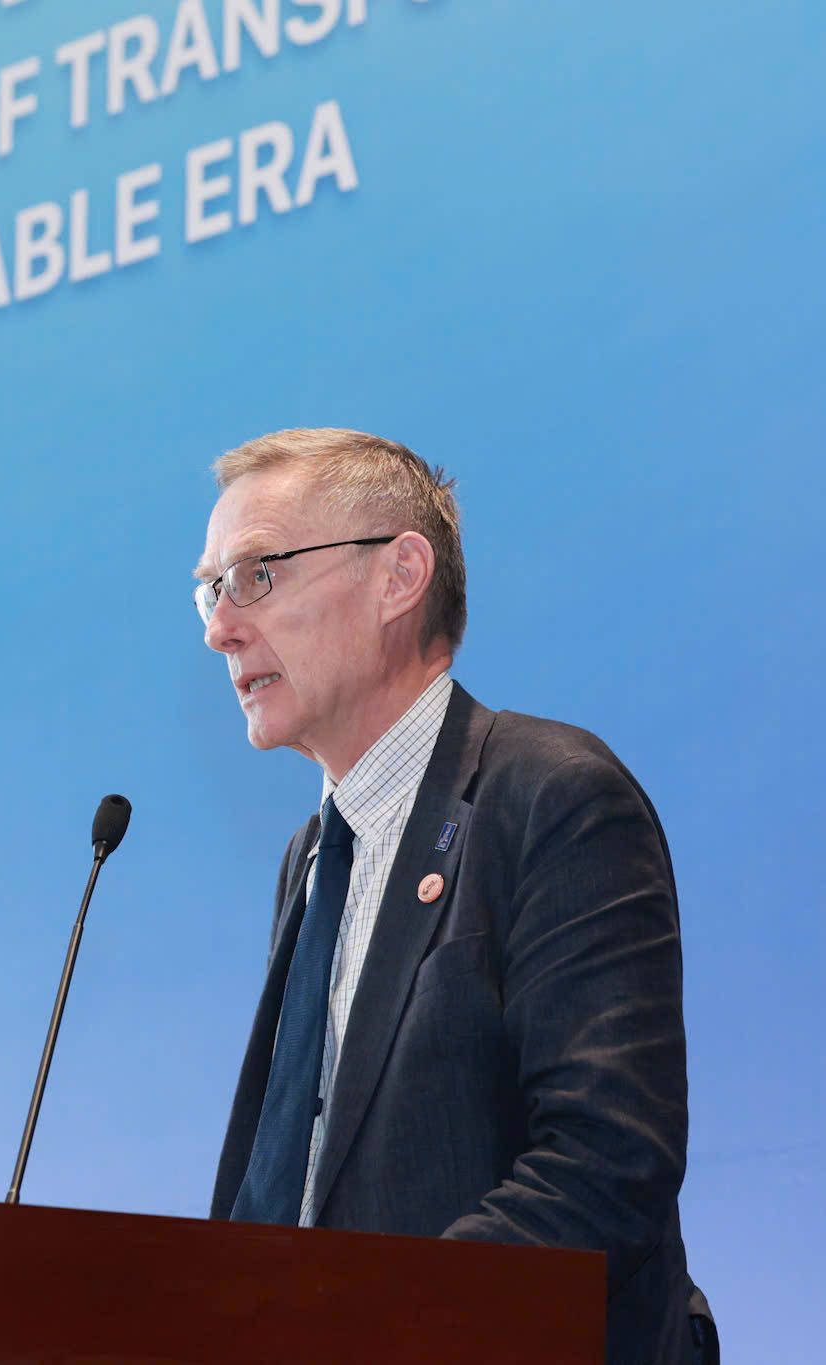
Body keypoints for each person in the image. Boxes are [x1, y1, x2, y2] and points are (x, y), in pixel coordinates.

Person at [194, 429, 715, 1365]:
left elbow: (605, 1165)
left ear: (399, 576)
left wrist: (364, 1332)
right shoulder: (312, 858)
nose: (219, 626)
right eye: (210, 589)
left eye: (256, 574)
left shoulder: (551, 797)